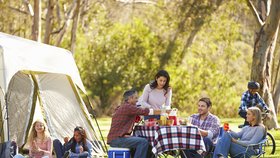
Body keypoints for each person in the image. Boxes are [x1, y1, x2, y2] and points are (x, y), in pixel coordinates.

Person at [107, 89, 164, 158]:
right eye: (136, 98)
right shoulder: (128, 107)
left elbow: (136, 118)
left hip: (118, 138)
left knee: (147, 142)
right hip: (117, 140)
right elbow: (145, 112)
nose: (137, 100)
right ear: (130, 98)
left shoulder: (124, 107)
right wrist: (162, 111)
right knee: (143, 142)